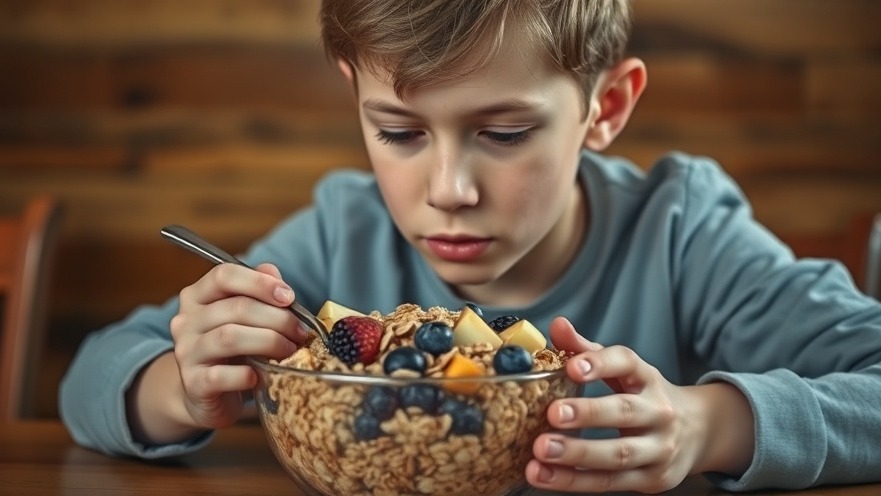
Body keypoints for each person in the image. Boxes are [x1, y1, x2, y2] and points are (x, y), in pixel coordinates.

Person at [59, 0, 881, 493]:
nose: (449, 188)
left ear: (606, 107)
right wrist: (178, 386)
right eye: (398, 132)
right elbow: (91, 376)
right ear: (356, 100)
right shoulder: (345, 231)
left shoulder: (680, 230)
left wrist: (713, 425)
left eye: (503, 132)